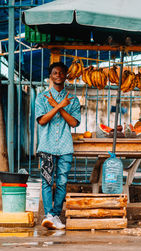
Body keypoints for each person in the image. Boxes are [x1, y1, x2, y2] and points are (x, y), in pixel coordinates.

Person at [35, 61, 81, 230]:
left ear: (66, 76)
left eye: (61, 73)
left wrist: (60, 107)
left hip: (65, 147)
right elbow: (42, 120)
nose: (59, 75)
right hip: (46, 146)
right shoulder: (41, 97)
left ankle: (56, 215)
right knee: (47, 181)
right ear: (50, 76)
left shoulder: (73, 99)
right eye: (55, 73)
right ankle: (48, 215)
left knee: (61, 182)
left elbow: (74, 122)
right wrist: (58, 107)